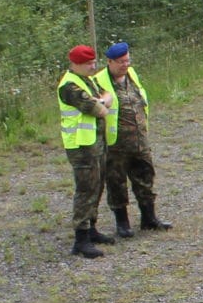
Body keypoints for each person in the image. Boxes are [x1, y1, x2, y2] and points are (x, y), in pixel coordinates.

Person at [91, 43, 170, 240]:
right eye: (120, 62)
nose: (125, 65)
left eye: (127, 60)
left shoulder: (132, 75)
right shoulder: (98, 81)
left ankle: (149, 218)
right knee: (116, 182)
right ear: (109, 62)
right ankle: (122, 223)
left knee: (145, 178)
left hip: (139, 140)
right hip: (115, 144)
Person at [57, 45, 114, 260]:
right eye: (88, 63)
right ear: (75, 64)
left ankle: (92, 229)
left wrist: (101, 101)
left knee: (98, 185)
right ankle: (81, 239)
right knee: (86, 189)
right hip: (80, 146)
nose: (93, 66)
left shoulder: (87, 80)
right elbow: (99, 109)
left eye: (93, 62)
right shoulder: (69, 86)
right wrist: (101, 103)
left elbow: (108, 95)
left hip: (95, 142)